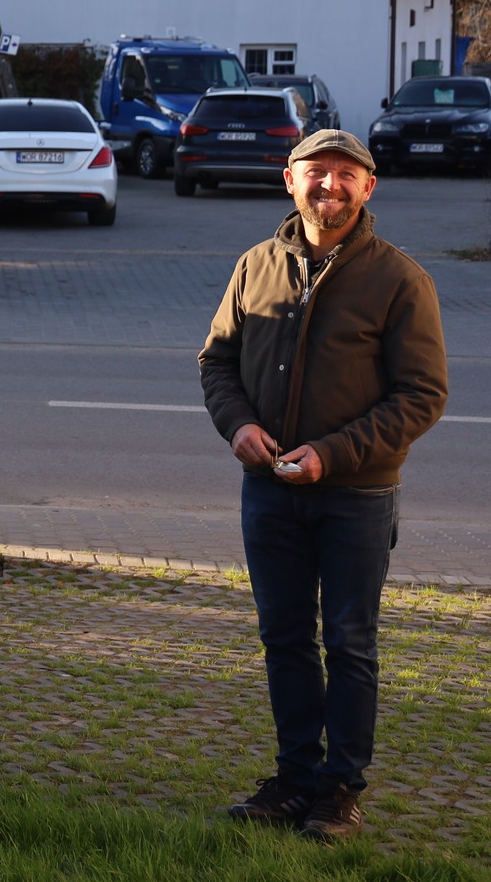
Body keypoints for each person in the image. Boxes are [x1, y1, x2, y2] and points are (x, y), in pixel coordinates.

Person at [201, 129, 446, 842]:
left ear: (369, 188)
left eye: (345, 175)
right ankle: (294, 776)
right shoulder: (255, 266)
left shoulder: (400, 279)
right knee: (283, 637)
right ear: (289, 179)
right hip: (269, 489)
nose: (329, 186)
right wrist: (238, 426)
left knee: (349, 641)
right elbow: (217, 360)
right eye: (316, 173)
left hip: (357, 495)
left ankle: (340, 789)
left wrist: (332, 455)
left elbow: (422, 394)